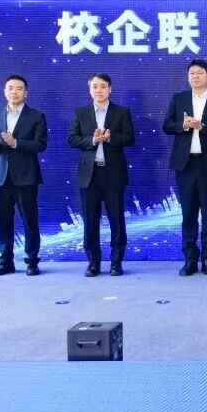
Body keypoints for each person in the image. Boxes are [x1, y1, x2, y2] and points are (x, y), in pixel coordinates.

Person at [163, 59, 207, 276]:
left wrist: (203, 126)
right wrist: (183, 125)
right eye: (192, 73)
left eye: (199, 73)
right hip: (185, 165)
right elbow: (167, 126)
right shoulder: (179, 99)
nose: (195, 76)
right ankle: (190, 260)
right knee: (188, 214)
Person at [68, 73, 135, 277]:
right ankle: (93, 263)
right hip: (90, 174)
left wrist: (110, 138)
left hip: (113, 173)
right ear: (90, 90)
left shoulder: (121, 112)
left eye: (103, 86)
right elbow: (72, 139)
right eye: (95, 86)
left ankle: (116, 262)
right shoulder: (81, 113)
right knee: (90, 220)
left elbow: (130, 138)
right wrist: (93, 140)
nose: (99, 90)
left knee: (117, 220)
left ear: (110, 89)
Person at [0, 74, 47, 276]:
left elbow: (40, 144)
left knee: (30, 221)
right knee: (3, 222)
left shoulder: (36, 116)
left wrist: (16, 143)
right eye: (10, 88)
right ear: (4, 92)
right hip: (0, 177)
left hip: (26, 176)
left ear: (25, 93)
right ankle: (6, 262)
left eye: (19, 88)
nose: (14, 92)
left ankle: (32, 261)